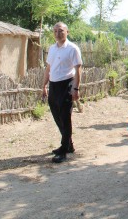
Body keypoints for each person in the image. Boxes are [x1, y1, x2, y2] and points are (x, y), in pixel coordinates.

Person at [42, 22, 82, 164]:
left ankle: (63, 151)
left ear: (67, 32)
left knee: (65, 117)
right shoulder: (52, 48)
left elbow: (78, 69)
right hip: (54, 85)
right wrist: (44, 85)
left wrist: (76, 88)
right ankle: (68, 144)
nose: (57, 34)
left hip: (66, 84)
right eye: (55, 31)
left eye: (60, 31)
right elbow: (48, 68)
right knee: (57, 115)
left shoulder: (72, 49)